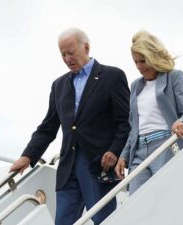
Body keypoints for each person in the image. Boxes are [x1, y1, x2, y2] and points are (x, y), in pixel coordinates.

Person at [9, 28, 130, 225]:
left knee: (104, 220)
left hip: (98, 164)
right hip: (67, 167)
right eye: (62, 54)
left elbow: (125, 123)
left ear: (86, 47)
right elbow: (48, 127)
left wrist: (115, 151)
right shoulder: (59, 85)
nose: (67, 58)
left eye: (71, 52)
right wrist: (28, 156)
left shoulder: (112, 76)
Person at [115, 30, 183, 195]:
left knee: (167, 197)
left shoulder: (174, 76)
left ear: (153, 57)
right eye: (136, 62)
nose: (139, 67)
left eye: (143, 61)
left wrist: (180, 122)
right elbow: (134, 128)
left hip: (165, 145)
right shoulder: (135, 86)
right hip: (138, 151)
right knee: (137, 201)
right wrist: (123, 155)